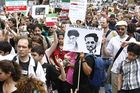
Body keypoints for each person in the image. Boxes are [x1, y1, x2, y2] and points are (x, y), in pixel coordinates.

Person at [102, 20, 136, 93]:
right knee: (116, 90)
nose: (120, 30)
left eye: (122, 29)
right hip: (116, 70)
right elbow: (107, 54)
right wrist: (104, 45)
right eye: (118, 29)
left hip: (128, 71)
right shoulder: (113, 39)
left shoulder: (132, 40)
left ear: (126, 29)